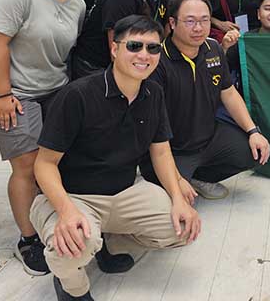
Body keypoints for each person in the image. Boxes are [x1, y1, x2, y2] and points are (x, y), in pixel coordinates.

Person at [31, 15, 200, 301]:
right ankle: (72, 287)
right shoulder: (78, 95)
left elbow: (160, 151)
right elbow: (44, 164)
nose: (144, 55)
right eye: (134, 46)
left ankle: (106, 239)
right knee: (72, 247)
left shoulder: (153, 92)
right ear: (114, 49)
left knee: (182, 227)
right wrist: (66, 211)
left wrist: (178, 198)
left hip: (125, 190)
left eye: (153, 48)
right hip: (73, 196)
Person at [0, 0, 87, 277]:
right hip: (12, 92)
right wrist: (3, 95)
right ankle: (28, 239)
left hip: (54, 88)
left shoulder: (78, 4)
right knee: (26, 166)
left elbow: (64, 53)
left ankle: (54, 220)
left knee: (53, 161)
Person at [141, 0, 270, 201]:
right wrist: (176, 180)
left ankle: (199, 178)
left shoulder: (213, 48)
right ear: (172, 23)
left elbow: (228, 92)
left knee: (254, 150)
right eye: (190, 21)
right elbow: (151, 125)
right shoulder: (157, 61)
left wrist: (253, 130)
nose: (199, 28)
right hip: (173, 150)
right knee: (168, 202)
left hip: (209, 138)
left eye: (204, 20)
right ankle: (181, 177)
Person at [225, 0, 270, 91]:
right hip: (247, 104)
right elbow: (220, 73)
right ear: (259, 14)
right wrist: (224, 49)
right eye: (268, 8)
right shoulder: (244, 42)